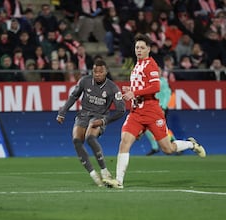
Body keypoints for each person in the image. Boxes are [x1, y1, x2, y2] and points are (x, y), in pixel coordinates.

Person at [105, 34, 206, 189]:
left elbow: (155, 87)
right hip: (136, 113)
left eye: (142, 48)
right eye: (137, 47)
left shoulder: (151, 65)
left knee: (168, 149)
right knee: (124, 142)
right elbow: (141, 87)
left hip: (152, 112)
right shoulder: (136, 66)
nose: (138, 50)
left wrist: (134, 93)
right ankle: (119, 181)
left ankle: (191, 145)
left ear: (149, 49)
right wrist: (131, 90)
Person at [56, 59, 126, 187]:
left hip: (99, 117)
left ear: (106, 72)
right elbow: (74, 96)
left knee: (90, 137)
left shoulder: (113, 88)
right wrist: (63, 111)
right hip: (83, 115)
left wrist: (104, 121)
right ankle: (93, 174)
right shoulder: (85, 81)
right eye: (95, 71)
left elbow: (121, 110)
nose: (97, 74)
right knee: (76, 140)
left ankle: (104, 171)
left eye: (101, 71)